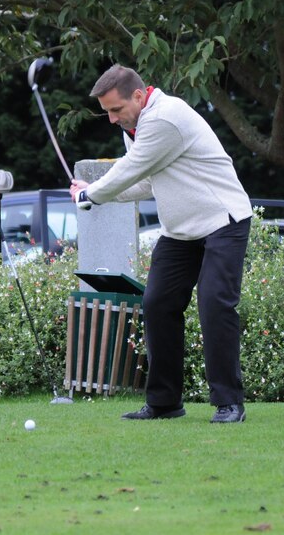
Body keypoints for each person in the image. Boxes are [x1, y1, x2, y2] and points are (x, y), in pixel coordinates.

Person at [70, 65, 253, 423]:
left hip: (223, 222)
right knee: (157, 304)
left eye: (116, 109)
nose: (111, 119)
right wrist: (95, 198)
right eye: (107, 111)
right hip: (180, 232)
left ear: (138, 96)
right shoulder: (134, 126)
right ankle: (165, 402)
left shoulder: (165, 118)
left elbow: (132, 169)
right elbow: (147, 183)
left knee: (214, 305)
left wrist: (90, 193)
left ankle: (229, 403)